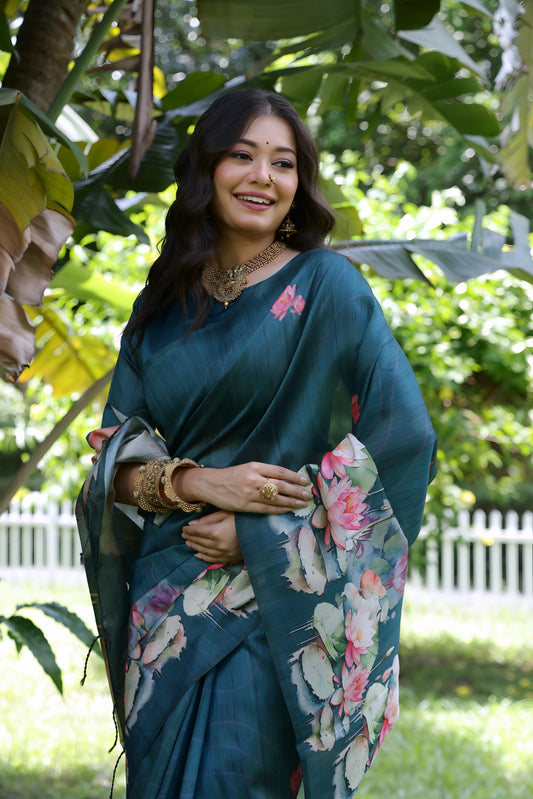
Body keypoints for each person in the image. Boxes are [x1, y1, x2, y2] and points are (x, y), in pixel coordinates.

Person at [77, 87, 437, 799]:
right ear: (205, 170)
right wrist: (199, 483)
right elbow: (111, 459)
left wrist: (268, 533)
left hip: (260, 606)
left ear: (298, 183)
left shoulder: (326, 286)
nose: (262, 178)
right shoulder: (161, 309)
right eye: (241, 156)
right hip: (163, 612)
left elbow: (404, 437)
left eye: (282, 163)